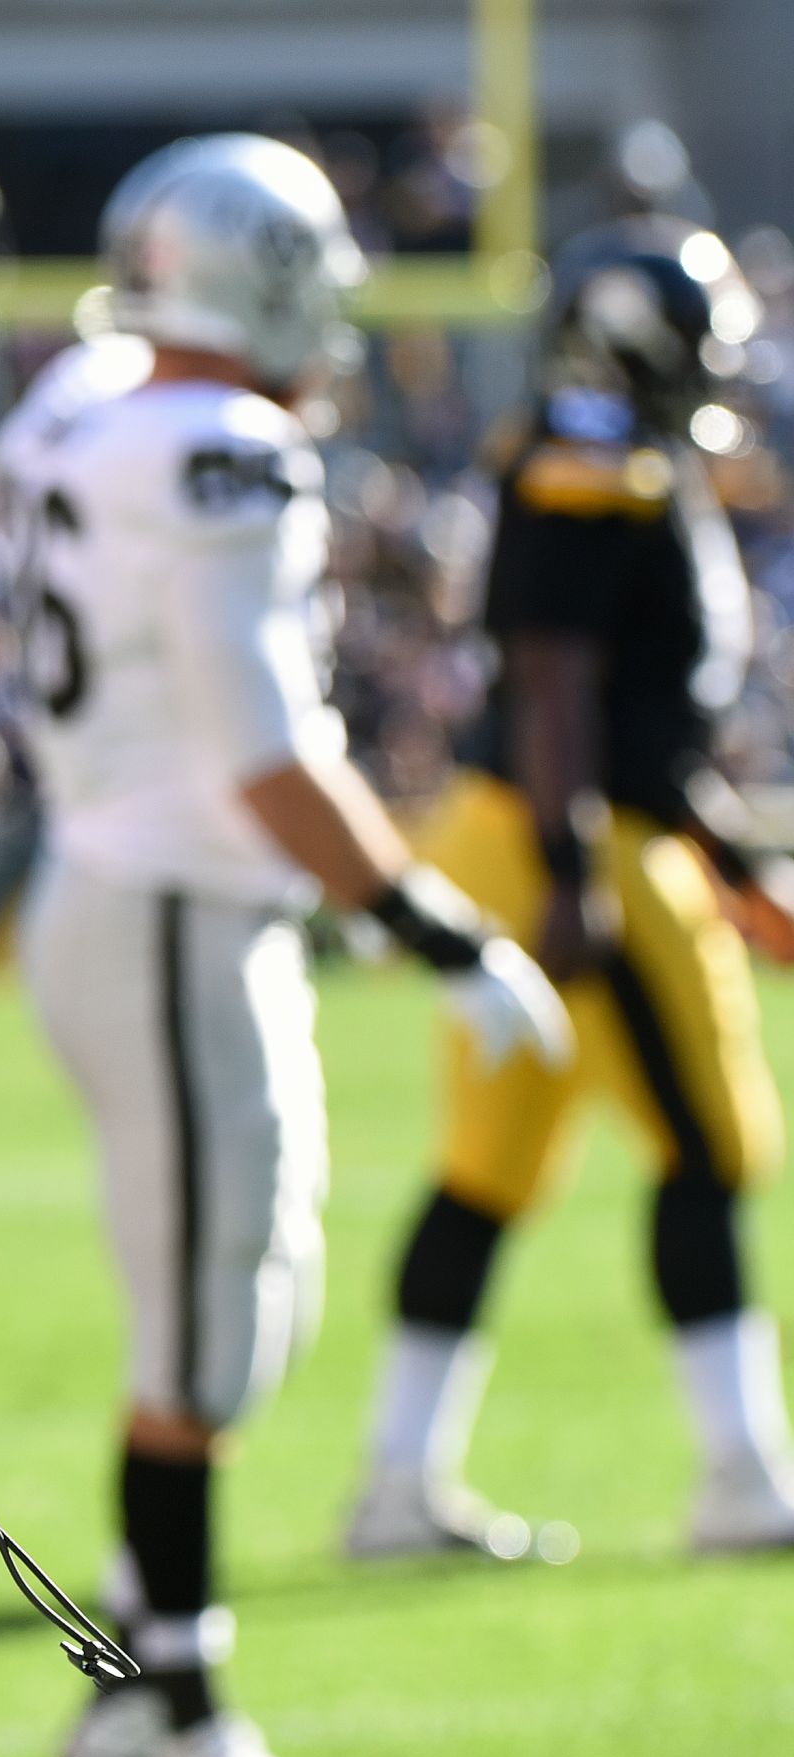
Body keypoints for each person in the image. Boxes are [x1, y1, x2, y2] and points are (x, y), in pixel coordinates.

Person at [0, 135, 571, 1757]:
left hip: (153, 896)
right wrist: (443, 930)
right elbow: (262, 756)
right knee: (197, 1343)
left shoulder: (83, 402)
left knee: (263, 1302)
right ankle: (184, 1727)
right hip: (168, 896)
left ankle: (126, 1675)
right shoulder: (226, 449)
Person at [347, 218, 794, 1558]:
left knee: (488, 1172)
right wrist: (570, 876)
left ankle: (395, 1484)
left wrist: (730, 857)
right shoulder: (591, 463)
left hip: (552, 832)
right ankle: (743, 1478)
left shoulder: (609, 455)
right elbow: (552, 682)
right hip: (574, 846)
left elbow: (631, 713)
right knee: (710, 1148)